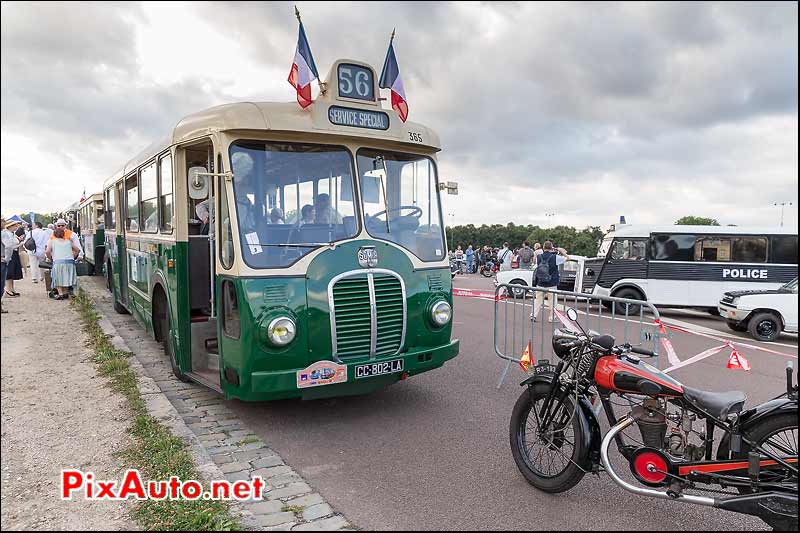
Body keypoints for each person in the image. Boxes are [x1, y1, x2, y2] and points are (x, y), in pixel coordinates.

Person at [532, 241, 570, 322]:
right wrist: (562, 252)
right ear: (551, 248)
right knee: (552, 302)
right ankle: (552, 317)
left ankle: (533, 315)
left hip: (540, 282)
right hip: (552, 283)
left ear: (543, 247)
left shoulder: (539, 257)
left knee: (538, 300)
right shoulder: (555, 257)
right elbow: (568, 259)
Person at [46, 226, 80, 300]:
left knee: (58, 278)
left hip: (58, 262)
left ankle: (60, 294)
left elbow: (47, 251)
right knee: (66, 277)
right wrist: (73, 256)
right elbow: (77, 250)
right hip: (70, 262)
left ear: (54, 234)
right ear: (63, 234)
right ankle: (65, 293)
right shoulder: (68, 241)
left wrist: (50, 258)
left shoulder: (52, 241)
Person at [4, 221, 25, 297]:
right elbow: (10, 246)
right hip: (10, 254)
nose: (16, 227)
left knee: (12, 272)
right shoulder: (7, 234)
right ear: (11, 226)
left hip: (14, 253)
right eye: (15, 226)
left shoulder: (12, 234)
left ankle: (11, 289)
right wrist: (20, 243)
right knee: (9, 272)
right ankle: (8, 290)